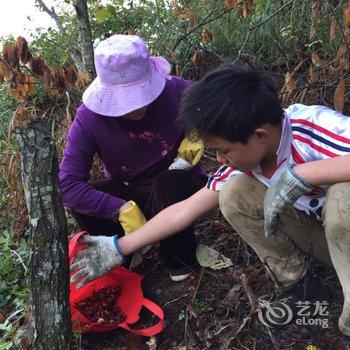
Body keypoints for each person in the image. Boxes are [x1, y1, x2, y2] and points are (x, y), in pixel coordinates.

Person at [70, 65, 350, 347]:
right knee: (234, 193)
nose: (218, 159)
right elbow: (184, 209)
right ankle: (300, 284)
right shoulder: (245, 162)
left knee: (343, 197)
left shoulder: (311, 128)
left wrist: (304, 174)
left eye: (224, 151)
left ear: (260, 135)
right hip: (330, 244)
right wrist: (119, 247)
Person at [59, 34, 207, 282]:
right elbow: (67, 184)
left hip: (177, 186)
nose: (133, 108)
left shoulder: (176, 91)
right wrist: (118, 208)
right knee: (92, 194)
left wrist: (199, 131)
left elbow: (213, 104)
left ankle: (179, 259)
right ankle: (127, 252)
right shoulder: (89, 120)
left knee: (167, 182)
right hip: (131, 193)